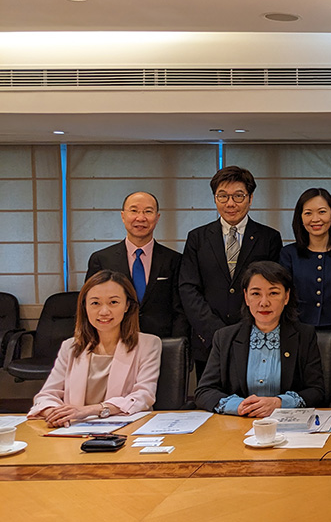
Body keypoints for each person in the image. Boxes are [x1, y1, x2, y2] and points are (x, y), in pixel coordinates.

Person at [179, 166, 282, 377]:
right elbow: (188, 288)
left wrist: (247, 330)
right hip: (208, 340)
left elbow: (273, 289)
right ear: (215, 198)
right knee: (211, 394)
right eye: (223, 196)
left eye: (238, 196)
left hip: (255, 337)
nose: (230, 203)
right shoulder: (197, 238)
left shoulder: (269, 238)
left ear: (250, 198)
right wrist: (215, 332)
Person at [28, 270, 162, 426]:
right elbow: (46, 395)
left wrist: (91, 410)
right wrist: (56, 414)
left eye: (113, 302)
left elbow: (143, 396)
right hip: (74, 430)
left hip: (126, 430)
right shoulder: (70, 347)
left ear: (127, 305)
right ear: (85, 306)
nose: (104, 312)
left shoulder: (148, 344)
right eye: (95, 303)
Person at [195, 261, 326, 416]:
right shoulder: (225, 337)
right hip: (238, 422)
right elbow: (204, 391)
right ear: (246, 297)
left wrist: (279, 403)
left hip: (287, 423)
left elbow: (317, 391)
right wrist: (239, 406)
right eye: (256, 294)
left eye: (273, 293)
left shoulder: (304, 335)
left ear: (286, 297)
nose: (264, 303)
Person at [279, 188, 331, 398]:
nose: (316, 219)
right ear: (300, 217)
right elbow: (284, 300)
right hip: (298, 340)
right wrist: (296, 334)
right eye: (308, 213)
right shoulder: (288, 254)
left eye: (322, 212)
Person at [86, 191, 188, 339]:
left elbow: (181, 309)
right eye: (134, 211)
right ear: (123, 216)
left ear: (157, 217)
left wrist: (176, 343)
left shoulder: (174, 260)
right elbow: (92, 305)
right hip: (115, 341)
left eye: (148, 211)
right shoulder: (101, 260)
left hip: (162, 341)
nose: (140, 218)